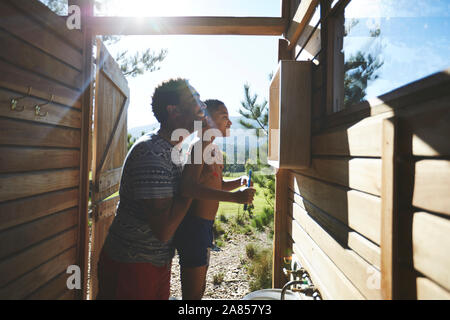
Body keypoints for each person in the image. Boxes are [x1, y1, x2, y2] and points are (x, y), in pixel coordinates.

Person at [96, 79, 255, 300]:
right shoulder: (151, 153)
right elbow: (164, 230)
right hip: (132, 264)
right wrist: (191, 185)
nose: (201, 105)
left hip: (156, 261)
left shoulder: (175, 150)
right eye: (194, 100)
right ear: (174, 111)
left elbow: (186, 192)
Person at [174, 99, 253, 300]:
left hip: (205, 227)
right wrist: (235, 199)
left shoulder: (215, 149)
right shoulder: (199, 145)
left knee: (200, 289)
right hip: (193, 228)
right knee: (192, 295)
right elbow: (188, 188)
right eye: (224, 117)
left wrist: (238, 182)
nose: (230, 122)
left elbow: (215, 184)